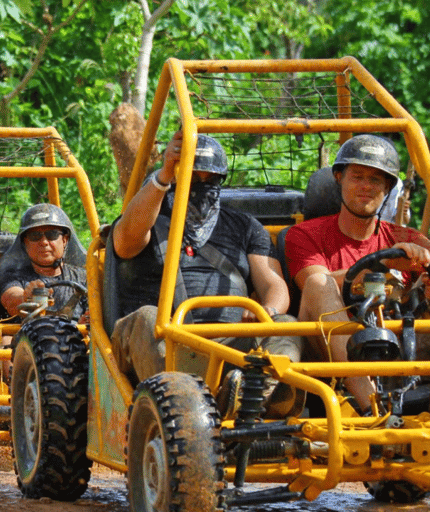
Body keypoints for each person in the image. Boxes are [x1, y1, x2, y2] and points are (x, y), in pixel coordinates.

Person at [108, 132, 303, 416]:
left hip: (229, 341)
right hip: (163, 337)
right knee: (148, 317)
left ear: (220, 180)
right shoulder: (149, 216)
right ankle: (184, 407)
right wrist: (164, 175)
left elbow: (274, 283)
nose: (200, 185)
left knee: (286, 325)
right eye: (190, 176)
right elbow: (126, 240)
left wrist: (267, 311)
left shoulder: (245, 226)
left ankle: (249, 399)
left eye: (208, 178)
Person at [285, 134, 430, 413]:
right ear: (338, 178)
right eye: (357, 177)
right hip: (326, 350)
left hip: (398, 345)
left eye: (375, 180)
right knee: (319, 282)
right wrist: (382, 265)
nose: (366, 186)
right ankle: (374, 410)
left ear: (387, 187)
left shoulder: (407, 238)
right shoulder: (303, 235)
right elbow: (313, 285)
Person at [0, 203, 88, 322]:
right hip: (25, 338)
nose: (44, 242)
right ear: (25, 243)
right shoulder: (13, 276)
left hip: (73, 338)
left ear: (65, 240)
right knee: (5, 340)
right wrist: (26, 298)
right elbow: (11, 299)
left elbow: (96, 311)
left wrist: (87, 322)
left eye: (52, 234)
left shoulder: (83, 278)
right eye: (35, 236)